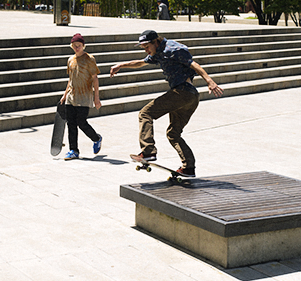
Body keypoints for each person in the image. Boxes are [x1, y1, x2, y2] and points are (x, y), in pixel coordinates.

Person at [110, 30, 223, 177]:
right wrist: (122, 65)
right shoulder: (156, 53)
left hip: (183, 92)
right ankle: (188, 167)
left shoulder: (173, 49)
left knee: (145, 113)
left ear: (155, 41)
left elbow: (193, 64)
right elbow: (141, 63)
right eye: (143, 48)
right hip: (189, 97)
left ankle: (148, 152)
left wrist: (209, 81)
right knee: (173, 134)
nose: (146, 50)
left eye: (147, 46)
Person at [60, 33, 103, 160]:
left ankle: (96, 138)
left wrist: (96, 98)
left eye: (79, 45)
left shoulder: (90, 59)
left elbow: (95, 78)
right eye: (74, 46)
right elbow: (70, 79)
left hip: (84, 96)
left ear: (83, 46)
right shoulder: (70, 60)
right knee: (71, 124)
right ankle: (73, 150)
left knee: (81, 122)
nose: (76, 48)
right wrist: (64, 95)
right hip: (71, 96)